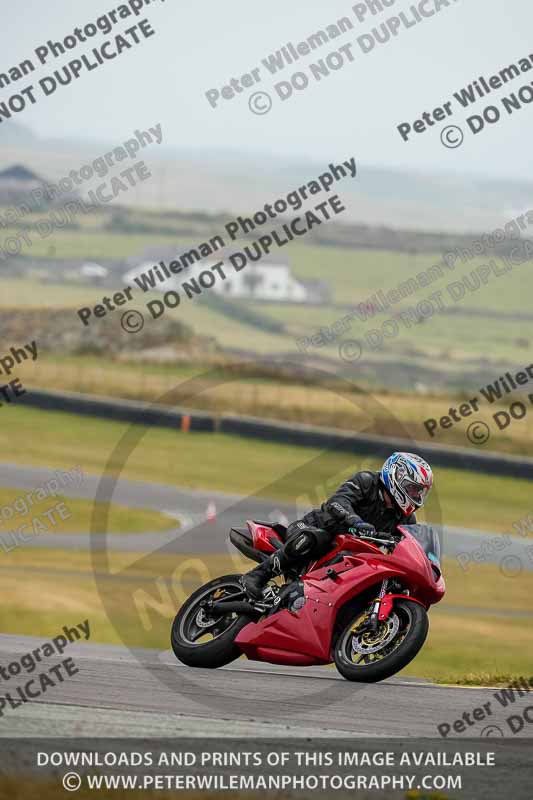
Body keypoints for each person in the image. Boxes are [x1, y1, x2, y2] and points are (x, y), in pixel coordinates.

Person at [241, 451, 433, 600]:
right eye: (413, 490)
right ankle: (257, 576)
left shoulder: (405, 520)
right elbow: (337, 502)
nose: (416, 497)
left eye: (420, 493)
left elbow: (410, 548)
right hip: (310, 529)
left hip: (347, 554)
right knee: (317, 538)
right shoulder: (366, 482)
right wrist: (356, 522)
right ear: (396, 476)